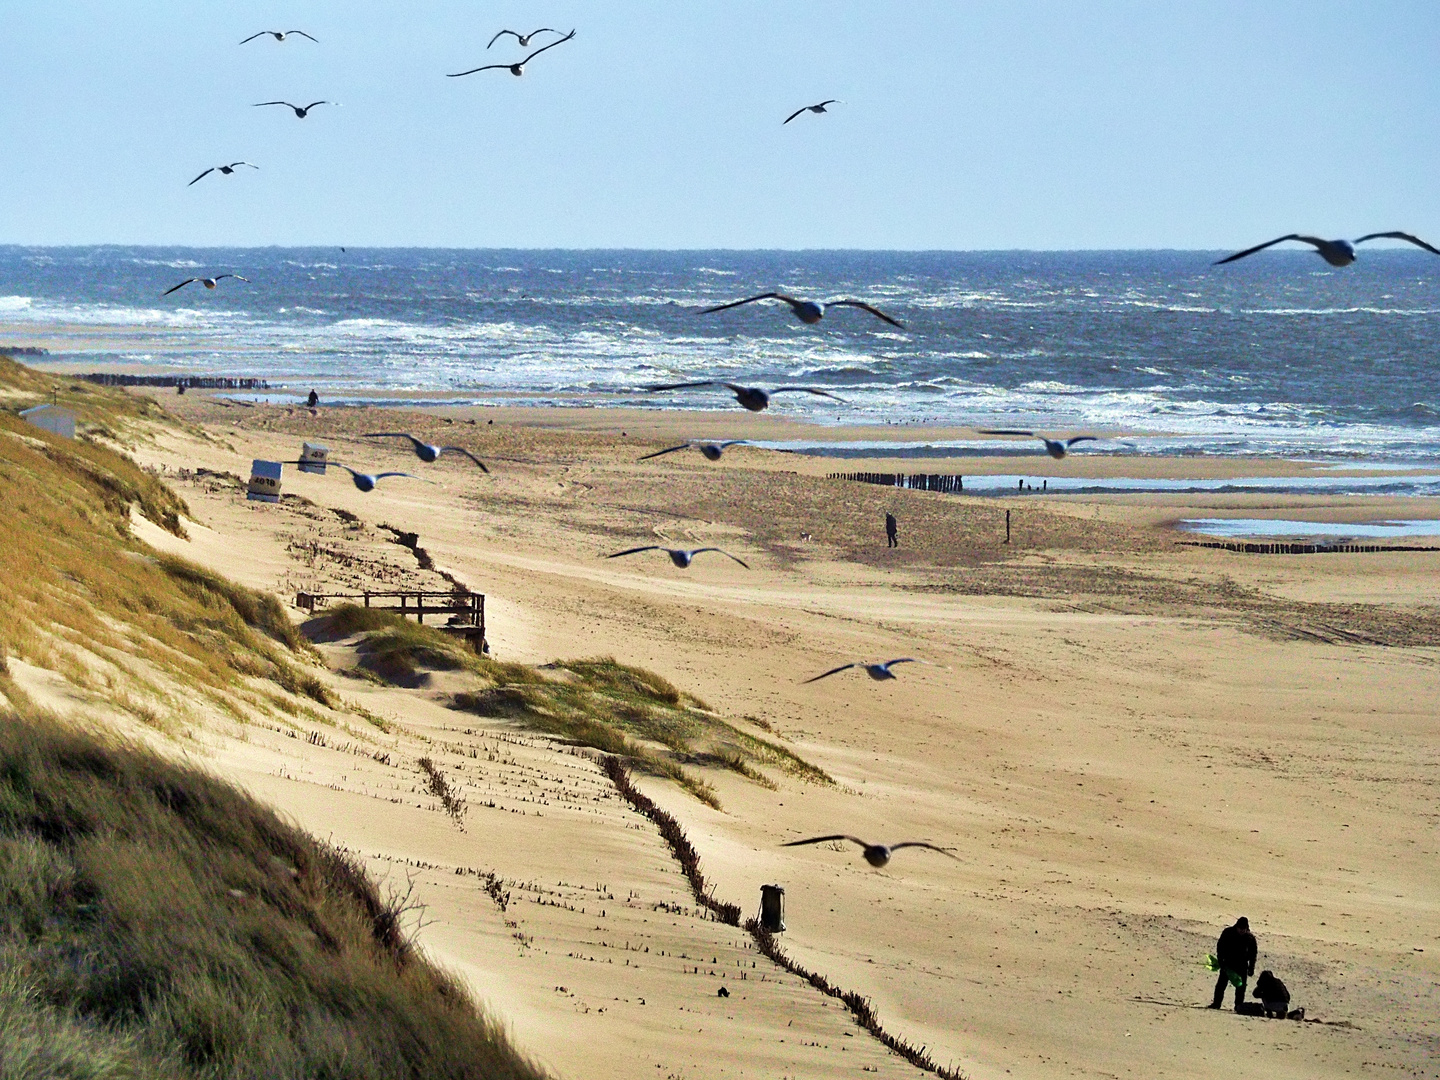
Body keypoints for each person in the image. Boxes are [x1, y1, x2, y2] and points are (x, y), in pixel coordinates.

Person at [1209, 916, 1257, 1010]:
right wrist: (1220, 961)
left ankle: (1238, 1006)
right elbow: (1220, 947)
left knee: (1240, 988)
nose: (1242, 931)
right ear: (1236, 926)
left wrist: (1251, 967)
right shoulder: (1228, 932)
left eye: (1244, 929)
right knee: (1221, 985)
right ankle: (1216, 1003)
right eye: (1240, 929)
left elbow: (1253, 954)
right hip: (1228, 963)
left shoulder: (1250, 938)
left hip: (1242, 965)